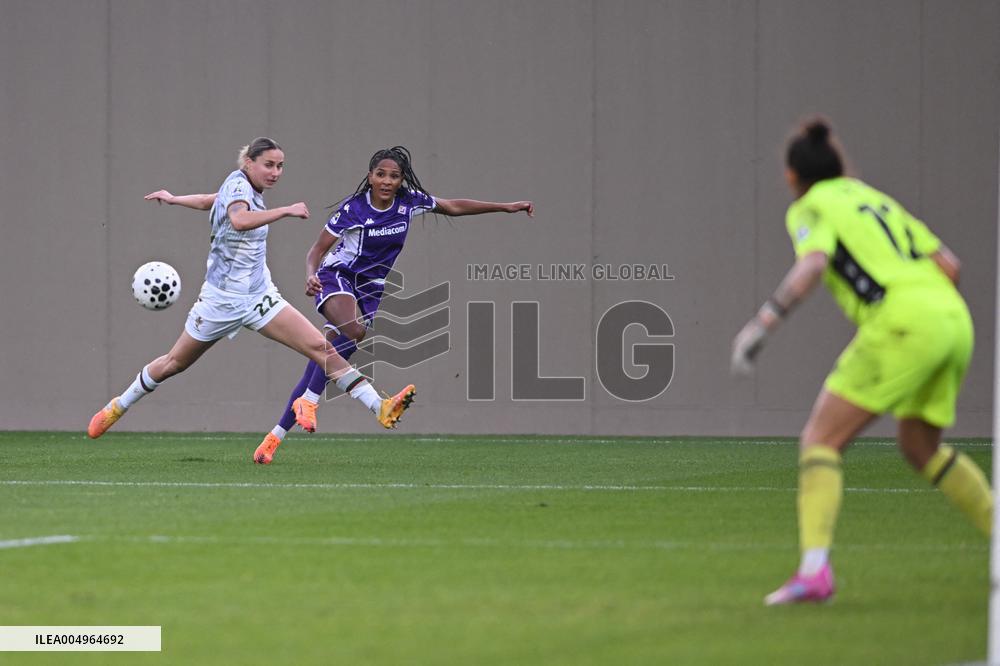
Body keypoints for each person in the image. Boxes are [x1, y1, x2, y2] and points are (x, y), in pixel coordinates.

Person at [731, 119, 992, 606]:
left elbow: (813, 263)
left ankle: (814, 573)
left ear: (792, 177)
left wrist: (762, 325)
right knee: (920, 447)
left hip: (902, 323)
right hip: (954, 319)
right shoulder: (872, 198)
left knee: (820, 440)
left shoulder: (810, 205)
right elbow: (950, 266)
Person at [87, 137, 416, 448]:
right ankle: (118, 406)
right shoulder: (239, 185)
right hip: (220, 300)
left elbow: (210, 201)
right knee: (173, 363)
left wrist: (174, 199)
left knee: (321, 348)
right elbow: (240, 220)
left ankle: (379, 406)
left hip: (260, 297)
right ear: (249, 162)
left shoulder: (241, 188)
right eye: (268, 165)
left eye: (280, 166)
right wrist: (286, 210)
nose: (275, 172)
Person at [254, 146, 534, 464]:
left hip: (371, 289)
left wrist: (505, 207)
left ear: (401, 180)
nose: (387, 181)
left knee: (325, 358)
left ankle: (272, 440)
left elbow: (453, 206)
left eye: (394, 176)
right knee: (353, 331)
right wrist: (310, 275)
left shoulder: (409, 202)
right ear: (370, 177)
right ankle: (316, 401)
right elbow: (316, 251)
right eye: (381, 174)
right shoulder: (354, 209)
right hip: (337, 276)